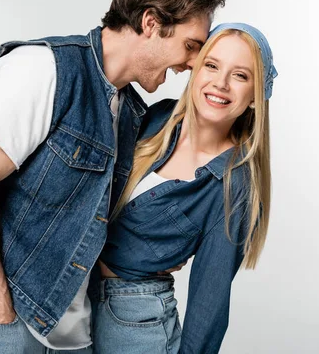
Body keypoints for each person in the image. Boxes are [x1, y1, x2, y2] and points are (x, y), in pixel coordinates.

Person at [0, 0, 225, 354]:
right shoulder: (45, 68)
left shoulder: (133, 114)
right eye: (190, 46)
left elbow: (99, 215)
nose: (191, 64)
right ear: (151, 22)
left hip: (73, 337)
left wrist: (151, 253)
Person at [93, 22, 278, 354]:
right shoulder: (158, 119)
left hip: (138, 323)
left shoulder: (233, 184)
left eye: (240, 75)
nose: (220, 84)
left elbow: (210, 300)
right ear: (195, 68)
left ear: (255, 96)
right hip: (75, 303)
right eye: (212, 65)